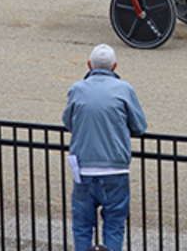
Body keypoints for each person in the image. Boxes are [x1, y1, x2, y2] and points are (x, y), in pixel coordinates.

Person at [62, 44, 147, 251]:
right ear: (114, 66)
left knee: (82, 226)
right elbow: (139, 126)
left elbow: (68, 121)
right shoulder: (124, 89)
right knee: (114, 226)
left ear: (89, 65)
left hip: (84, 168)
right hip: (115, 168)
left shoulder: (78, 88)